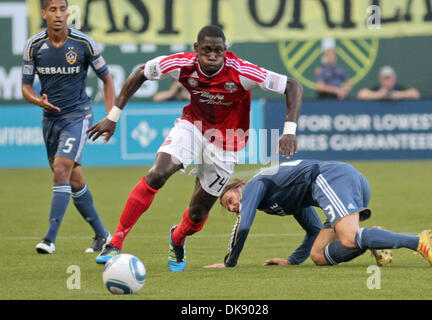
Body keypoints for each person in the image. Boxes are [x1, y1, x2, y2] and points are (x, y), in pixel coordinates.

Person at [87, 25, 304, 271]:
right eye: (207, 50)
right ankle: (115, 242)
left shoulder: (242, 72)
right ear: (196, 49)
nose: (213, 56)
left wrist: (289, 131)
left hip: (228, 143)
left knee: (198, 214)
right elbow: (140, 72)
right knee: (157, 174)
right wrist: (113, 117)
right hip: (192, 128)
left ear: (225, 51)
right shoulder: (180, 64)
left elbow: (293, 85)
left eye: (219, 51)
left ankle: (177, 239)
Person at [204, 160, 432, 269]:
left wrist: (229, 263)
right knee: (319, 255)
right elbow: (313, 229)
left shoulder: (256, 184)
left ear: (240, 186)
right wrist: (292, 261)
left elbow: (243, 227)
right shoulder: (274, 201)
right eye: (230, 208)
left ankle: (418, 242)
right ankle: (373, 239)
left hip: (331, 178)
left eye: (231, 200)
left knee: (348, 237)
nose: (234, 207)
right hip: (335, 185)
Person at [21, 0, 115, 254]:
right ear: (44, 14)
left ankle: (49, 240)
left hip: (78, 116)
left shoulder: (83, 43)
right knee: (73, 179)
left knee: (61, 169)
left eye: (62, 9)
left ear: (68, 12)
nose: (59, 14)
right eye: (52, 9)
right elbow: (26, 86)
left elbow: (107, 79)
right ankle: (103, 236)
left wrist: (111, 116)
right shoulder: (34, 45)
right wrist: (36, 100)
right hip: (50, 120)